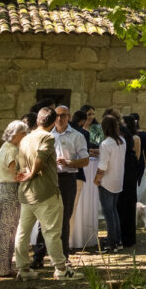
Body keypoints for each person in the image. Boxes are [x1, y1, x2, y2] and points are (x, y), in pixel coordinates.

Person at [14, 107, 74, 279]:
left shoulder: (26, 139)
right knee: (52, 232)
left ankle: (23, 269)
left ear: (39, 120)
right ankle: (61, 270)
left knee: (23, 232)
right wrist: (33, 173)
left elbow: (20, 164)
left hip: (26, 192)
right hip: (45, 192)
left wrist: (25, 175)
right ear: (53, 121)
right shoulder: (48, 137)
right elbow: (40, 158)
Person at [47, 105, 89, 260]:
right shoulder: (47, 135)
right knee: (47, 216)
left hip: (67, 178)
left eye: (63, 115)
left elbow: (85, 161)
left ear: (69, 117)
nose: (60, 118)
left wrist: (69, 163)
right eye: (57, 115)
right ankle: (41, 254)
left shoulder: (77, 136)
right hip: (50, 179)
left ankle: (63, 254)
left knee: (65, 217)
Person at [0, 119, 27, 278]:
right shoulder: (11, 150)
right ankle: (2, 268)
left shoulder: (5, 148)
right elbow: (16, 174)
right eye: (24, 133)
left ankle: (2, 267)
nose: (26, 136)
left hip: (3, 189)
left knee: (5, 229)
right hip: (9, 190)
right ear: (16, 135)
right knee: (8, 230)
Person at [94, 114, 126, 253]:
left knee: (109, 213)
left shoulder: (106, 143)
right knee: (114, 211)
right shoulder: (122, 141)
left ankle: (111, 242)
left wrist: (96, 178)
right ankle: (117, 241)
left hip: (106, 181)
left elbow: (103, 166)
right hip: (118, 179)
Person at [118, 113, 144, 247]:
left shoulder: (135, 138)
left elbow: (138, 156)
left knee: (128, 202)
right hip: (125, 171)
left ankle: (128, 235)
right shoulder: (120, 138)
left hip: (130, 171)